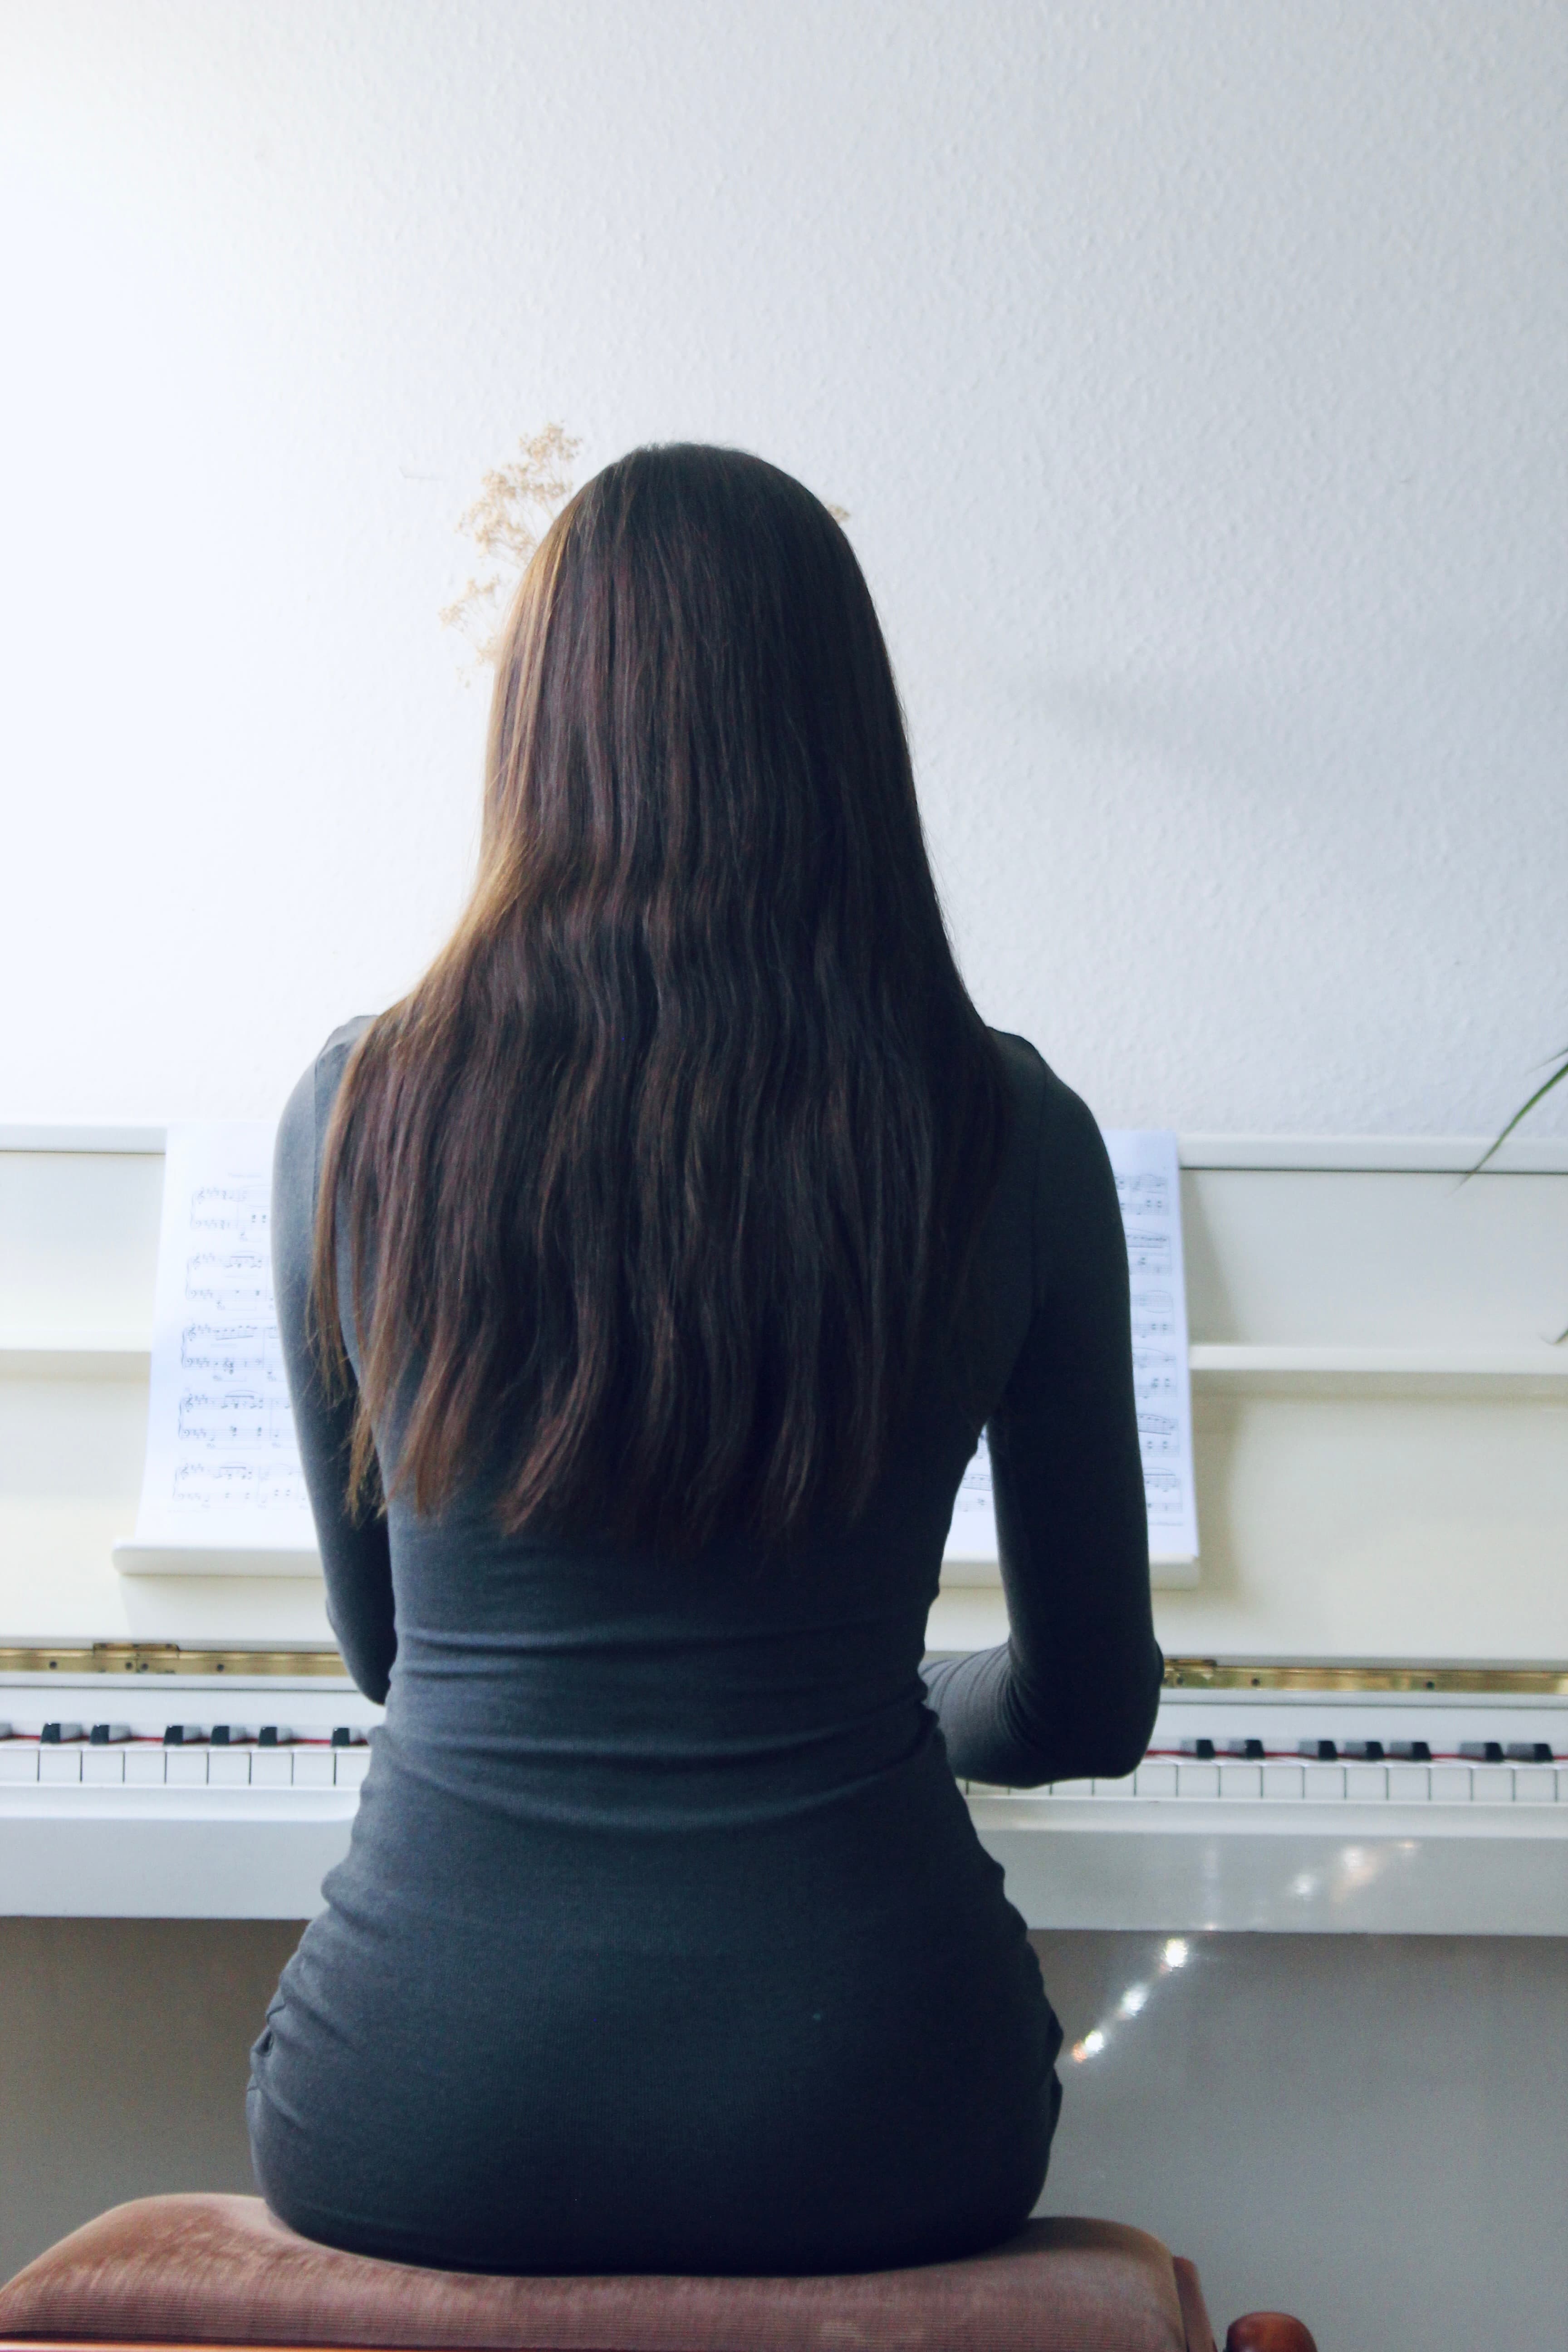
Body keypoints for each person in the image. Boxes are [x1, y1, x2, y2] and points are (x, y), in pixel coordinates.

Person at [249, 443, 1161, 2277]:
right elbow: (1091, 1710)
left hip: (411, 2107)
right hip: (884, 2114)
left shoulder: (356, 1113)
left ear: (533, 734)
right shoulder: (1011, 1134)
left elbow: (391, 1654)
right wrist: (876, 1699)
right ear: (849, 741)